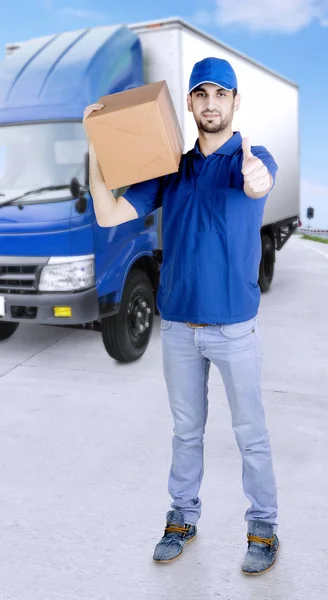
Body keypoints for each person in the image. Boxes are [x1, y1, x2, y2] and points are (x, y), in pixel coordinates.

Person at [84, 57, 279, 576]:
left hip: (235, 330)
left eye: (222, 94)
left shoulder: (254, 158)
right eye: (201, 94)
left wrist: (256, 175)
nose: (211, 103)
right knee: (186, 432)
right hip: (178, 331)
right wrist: (93, 143)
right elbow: (108, 213)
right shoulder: (170, 168)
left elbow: (259, 186)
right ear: (190, 104)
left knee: (250, 434)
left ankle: (263, 528)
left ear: (235, 102)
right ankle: (182, 519)